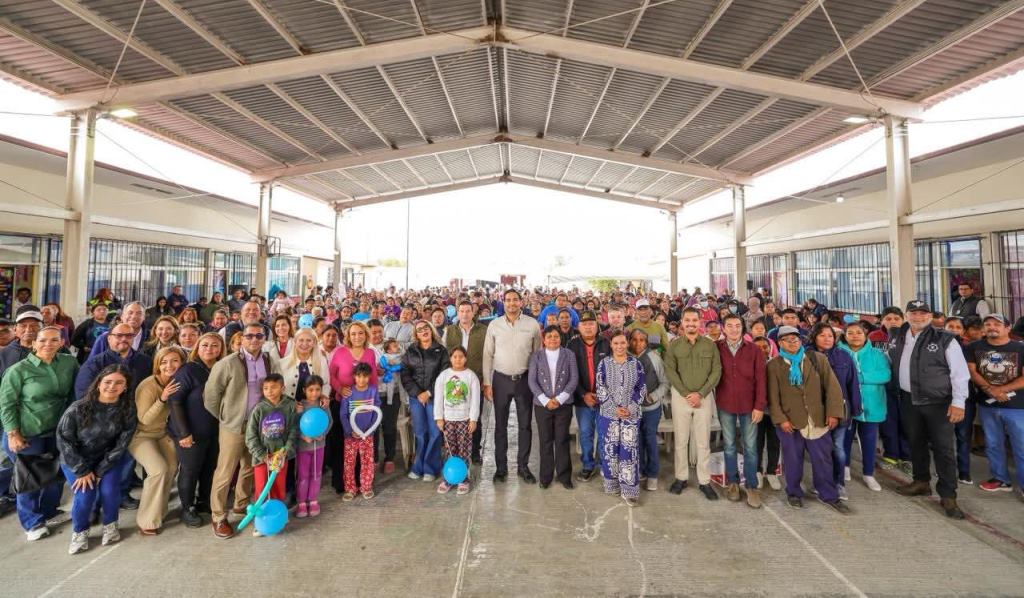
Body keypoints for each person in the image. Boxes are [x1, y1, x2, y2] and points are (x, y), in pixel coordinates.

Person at [890, 300, 969, 519]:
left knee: (943, 449)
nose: (918, 317)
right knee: (916, 443)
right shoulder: (898, 336)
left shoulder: (945, 339)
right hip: (908, 400)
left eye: (923, 313)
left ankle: (948, 494)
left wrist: (958, 402)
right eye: (913, 313)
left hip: (938, 402)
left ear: (930, 316)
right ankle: (921, 481)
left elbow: (960, 374)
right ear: (906, 315)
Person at [0, 326, 77, 540]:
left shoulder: (69, 363)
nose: (48, 344)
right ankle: (32, 523)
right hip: (27, 432)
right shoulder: (18, 370)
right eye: (42, 340)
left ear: (62, 343)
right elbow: (6, 405)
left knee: (56, 473)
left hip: (58, 429)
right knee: (29, 479)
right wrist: (13, 434)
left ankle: (50, 511)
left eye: (54, 340)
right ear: (34, 344)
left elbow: (75, 392)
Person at [204, 322, 278, 539]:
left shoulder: (269, 360)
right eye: (249, 336)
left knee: (249, 467)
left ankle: (241, 503)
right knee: (225, 471)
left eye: (259, 336)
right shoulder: (227, 363)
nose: (254, 339)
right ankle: (218, 516)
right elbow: (211, 396)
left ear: (264, 339)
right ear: (242, 338)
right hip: (234, 426)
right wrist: (226, 416)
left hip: (259, 426)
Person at [768, 326, 849, 513]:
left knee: (823, 459)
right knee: (793, 459)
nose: (793, 343)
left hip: (817, 418)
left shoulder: (816, 359)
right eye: (788, 340)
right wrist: (781, 419)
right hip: (790, 421)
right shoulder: (773, 365)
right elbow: (772, 396)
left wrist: (833, 413)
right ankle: (794, 493)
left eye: (796, 339)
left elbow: (833, 387)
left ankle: (828, 494)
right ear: (780, 343)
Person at [57, 365, 137, 554]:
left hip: (108, 460)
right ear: (98, 383)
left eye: (119, 383)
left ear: (125, 386)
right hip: (76, 460)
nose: (112, 386)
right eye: (108, 382)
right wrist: (82, 471)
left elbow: (122, 443)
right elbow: (64, 441)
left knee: (109, 491)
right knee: (86, 495)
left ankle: (110, 525)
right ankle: (80, 532)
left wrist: (101, 470)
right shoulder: (77, 408)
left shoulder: (127, 409)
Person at [482, 289, 542, 484]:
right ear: (503, 302)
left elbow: (537, 354)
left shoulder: (532, 324)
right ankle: (501, 468)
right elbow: (487, 355)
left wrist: (536, 383)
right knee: (500, 426)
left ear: (521, 302)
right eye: (508, 300)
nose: (512, 303)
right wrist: (487, 382)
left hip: (524, 381)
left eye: (515, 300)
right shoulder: (494, 325)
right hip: (500, 380)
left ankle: (523, 467)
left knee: (525, 426)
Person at [664, 308, 722, 500]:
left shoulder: (709, 345)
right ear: (682, 322)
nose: (691, 323)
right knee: (681, 441)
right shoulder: (674, 345)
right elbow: (670, 371)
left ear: (700, 322)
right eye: (687, 320)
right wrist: (686, 393)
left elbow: (716, 371)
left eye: (694, 320)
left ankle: (704, 481)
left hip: (703, 397)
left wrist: (701, 393)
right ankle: (681, 478)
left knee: (703, 441)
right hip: (681, 397)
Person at [168, 332, 224, 528]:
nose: (209, 349)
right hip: (190, 431)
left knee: (209, 468)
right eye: (205, 345)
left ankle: (204, 500)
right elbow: (175, 402)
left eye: (215, 345)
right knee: (190, 470)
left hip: (214, 430)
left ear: (221, 349)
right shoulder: (188, 370)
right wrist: (183, 433)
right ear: (197, 348)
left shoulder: (221, 368)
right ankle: (187, 507)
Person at [967, 314, 1024, 500]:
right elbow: (972, 371)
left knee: (1021, 445)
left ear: (1008, 328)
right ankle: (1001, 479)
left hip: (1017, 406)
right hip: (987, 404)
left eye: (997, 324)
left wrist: (1000, 390)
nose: (992, 327)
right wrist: (990, 390)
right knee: (992, 444)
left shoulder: (1020, 348)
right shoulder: (974, 347)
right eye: (988, 324)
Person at [714, 314, 767, 508]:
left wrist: (759, 406)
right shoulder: (716, 348)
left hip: (749, 405)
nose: (734, 329)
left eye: (738, 325)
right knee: (729, 445)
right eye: (729, 325)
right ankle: (733, 483)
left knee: (750, 447)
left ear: (743, 328)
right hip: (725, 403)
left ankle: (751, 486)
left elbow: (761, 380)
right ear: (723, 328)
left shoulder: (753, 350)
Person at [130, 347, 184, 535]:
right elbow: (144, 419)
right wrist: (162, 398)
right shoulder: (148, 385)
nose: (169, 366)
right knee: (158, 469)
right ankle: (147, 520)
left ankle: (159, 511)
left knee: (171, 467)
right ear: (157, 365)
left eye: (175, 361)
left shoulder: (178, 381)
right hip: (141, 435)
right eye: (164, 362)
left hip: (162, 433)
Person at [808, 323, 862, 501]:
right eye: (822, 335)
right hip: (816, 411)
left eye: (830, 336)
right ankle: (820, 483)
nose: (827, 339)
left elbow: (853, 384)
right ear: (814, 337)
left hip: (839, 410)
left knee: (838, 448)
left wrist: (855, 409)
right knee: (819, 451)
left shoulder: (843, 356)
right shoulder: (807, 356)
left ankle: (838, 483)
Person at [596, 331, 646, 507]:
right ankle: (612, 484)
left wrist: (630, 407)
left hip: (630, 415)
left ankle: (629, 490)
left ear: (627, 344)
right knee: (611, 450)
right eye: (616, 343)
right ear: (611, 345)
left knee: (628, 451)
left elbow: (641, 387)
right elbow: (600, 387)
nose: (619, 346)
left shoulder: (636, 363)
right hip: (609, 415)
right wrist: (614, 408)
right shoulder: (604, 363)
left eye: (622, 343)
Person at [328, 321, 378, 493]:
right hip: (343, 405)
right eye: (353, 333)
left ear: (366, 335)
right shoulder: (340, 352)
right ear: (348, 336)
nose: (357, 337)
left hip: (365, 408)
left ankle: (363, 483)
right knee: (343, 447)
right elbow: (331, 375)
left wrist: (374, 402)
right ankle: (344, 484)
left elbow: (373, 379)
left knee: (363, 448)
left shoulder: (370, 353)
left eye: (360, 333)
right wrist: (340, 389)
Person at [244, 373, 297, 537]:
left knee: (279, 489)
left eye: (273, 388)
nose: (269, 391)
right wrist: (262, 455)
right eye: (266, 388)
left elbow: (293, 430)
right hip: (262, 459)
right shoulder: (259, 409)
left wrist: (285, 450)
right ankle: (261, 523)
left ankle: (278, 516)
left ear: (282, 388)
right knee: (262, 490)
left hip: (280, 458)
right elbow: (250, 436)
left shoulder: (289, 406)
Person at [840, 321, 890, 492]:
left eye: (859, 333)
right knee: (844, 439)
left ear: (866, 334)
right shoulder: (839, 353)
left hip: (872, 405)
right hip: (846, 405)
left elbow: (885, 375)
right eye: (850, 333)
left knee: (869, 441)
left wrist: (858, 377)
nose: (855, 336)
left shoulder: (877, 354)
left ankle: (868, 473)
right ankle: (844, 466)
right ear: (844, 336)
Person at [527, 326, 578, 490]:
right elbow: (532, 381)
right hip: (542, 405)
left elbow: (574, 379)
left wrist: (560, 399)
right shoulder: (536, 356)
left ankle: (564, 476)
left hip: (564, 404)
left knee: (562, 439)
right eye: (549, 336)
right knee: (545, 440)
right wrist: (545, 400)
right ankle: (545, 477)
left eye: (556, 336)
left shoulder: (569, 355)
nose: (553, 339)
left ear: (560, 338)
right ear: (544, 339)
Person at [402, 321, 450, 482]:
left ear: (431, 330)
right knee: (420, 433)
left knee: (435, 432)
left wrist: (428, 392)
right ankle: (418, 467)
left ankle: (431, 468)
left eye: (426, 328)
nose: (423, 331)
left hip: (434, 397)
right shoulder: (410, 351)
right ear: (416, 334)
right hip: (416, 398)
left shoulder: (441, 351)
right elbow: (405, 374)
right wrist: (418, 393)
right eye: (419, 330)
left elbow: (444, 374)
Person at [567, 311, 611, 482]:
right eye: (584, 324)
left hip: (603, 399)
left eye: (591, 324)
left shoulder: (606, 343)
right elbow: (571, 374)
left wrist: (602, 393)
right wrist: (583, 394)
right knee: (585, 433)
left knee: (604, 433)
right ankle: (588, 465)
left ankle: (603, 464)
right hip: (582, 399)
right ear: (579, 327)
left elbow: (612, 370)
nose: (588, 327)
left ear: (597, 326)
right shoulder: (572, 345)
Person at [443, 301, 488, 465]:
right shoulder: (450, 330)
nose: (465, 314)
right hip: (455, 382)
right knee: (455, 417)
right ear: (457, 313)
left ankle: (475, 451)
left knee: (475, 417)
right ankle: (455, 452)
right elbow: (444, 355)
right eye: (461, 311)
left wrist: (486, 379)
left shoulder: (483, 330)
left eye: (468, 311)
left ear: (473, 312)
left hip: (476, 380)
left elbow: (488, 356)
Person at [434, 347, 481, 495]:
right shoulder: (443, 376)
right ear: (450, 358)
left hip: (464, 420)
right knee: (450, 450)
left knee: (464, 450)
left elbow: (475, 400)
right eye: (455, 356)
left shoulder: (471, 376)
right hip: (448, 420)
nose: (458, 359)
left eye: (461, 356)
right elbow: (438, 398)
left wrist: (473, 419)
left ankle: (463, 479)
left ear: (465, 358)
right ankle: (449, 479)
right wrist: (439, 418)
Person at [629, 329, 669, 492]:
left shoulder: (654, 357)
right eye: (634, 339)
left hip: (651, 408)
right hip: (632, 409)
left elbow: (665, 383)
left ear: (647, 342)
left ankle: (653, 474)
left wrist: (653, 396)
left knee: (650, 439)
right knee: (636, 440)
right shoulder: (626, 357)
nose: (638, 343)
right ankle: (640, 470)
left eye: (642, 340)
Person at [76, 323, 151, 402]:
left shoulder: (146, 361)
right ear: (109, 339)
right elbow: (83, 395)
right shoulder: (94, 364)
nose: (124, 339)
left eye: (129, 335)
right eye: (119, 335)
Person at [340, 363, 379, 500]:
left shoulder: (373, 391)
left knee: (367, 461)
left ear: (369, 377)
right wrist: (350, 431)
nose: (362, 380)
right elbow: (343, 415)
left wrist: (370, 430)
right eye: (359, 376)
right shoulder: (348, 393)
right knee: (349, 463)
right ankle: (350, 489)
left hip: (367, 435)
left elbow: (377, 411)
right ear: (354, 376)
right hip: (350, 436)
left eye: (365, 376)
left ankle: (366, 487)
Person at [295, 376, 331, 517]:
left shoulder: (323, 405)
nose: (314, 393)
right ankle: (302, 503)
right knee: (303, 475)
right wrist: (303, 436)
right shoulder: (300, 406)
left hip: (319, 446)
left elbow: (329, 422)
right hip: (304, 448)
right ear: (304, 390)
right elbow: (294, 425)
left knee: (316, 474)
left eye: (317, 389)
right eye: (311, 390)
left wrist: (322, 434)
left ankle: (313, 500)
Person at [280, 328, 331, 405]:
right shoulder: (283, 363)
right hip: (289, 408)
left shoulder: (322, 360)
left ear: (314, 343)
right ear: (295, 342)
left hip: (314, 407)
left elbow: (326, 383)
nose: (304, 344)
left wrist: (324, 396)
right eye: (301, 340)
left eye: (309, 340)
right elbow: (278, 388)